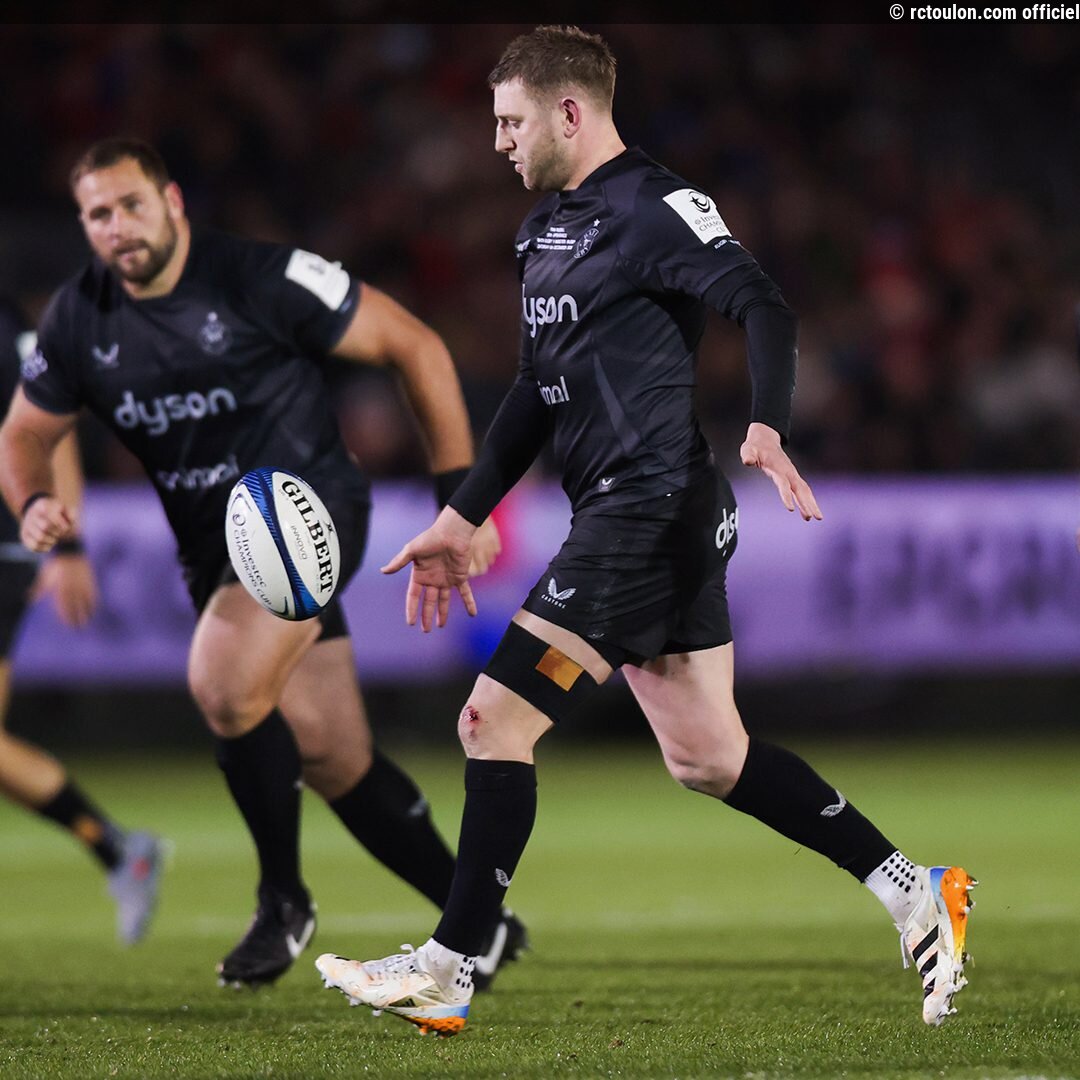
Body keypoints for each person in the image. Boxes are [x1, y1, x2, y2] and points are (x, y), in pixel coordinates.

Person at [315, 25, 977, 1036]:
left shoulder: (655, 206)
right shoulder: (542, 233)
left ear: (568, 112)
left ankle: (449, 967)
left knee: (493, 720)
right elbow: (535, 394)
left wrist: (767, 423)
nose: (497, 141)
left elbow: (763, 306)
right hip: (645, 513)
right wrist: (461, 513)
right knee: (708, 756)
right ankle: (914, 889)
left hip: (650, 507)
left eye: (511, 122)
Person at [0, 138, 526, 990]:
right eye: (97, 214)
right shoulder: (77, 319)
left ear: (172, 202)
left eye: (130, 205)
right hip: (215, 548)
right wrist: (34, 506)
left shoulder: (259, 276)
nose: (117, 226)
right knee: (332, 753)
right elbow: (24, 433)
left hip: (309, 513)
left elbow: (416, 345)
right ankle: (481, 924)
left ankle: (284, 899)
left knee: (221, 682)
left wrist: (458, 504)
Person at [0, 295, 163, 946]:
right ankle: (116, 848)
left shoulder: (5, 327)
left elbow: (48, 425)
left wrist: (66, 544)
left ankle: (118, 848)